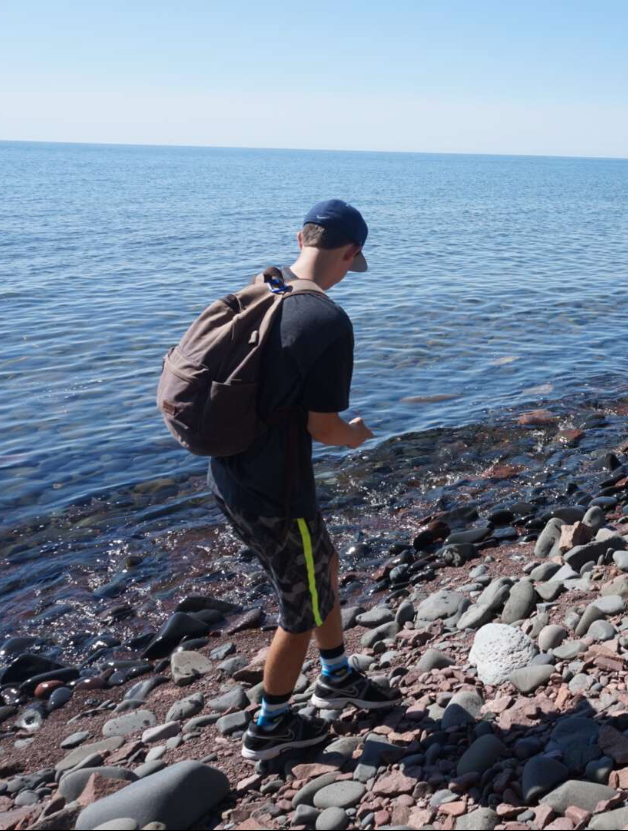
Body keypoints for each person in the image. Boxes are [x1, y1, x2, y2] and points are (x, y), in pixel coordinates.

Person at [209, 199, 399, 762]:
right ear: (350, 251)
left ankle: (336, 675)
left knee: (325, 568)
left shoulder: (265, 288)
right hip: (276, 489)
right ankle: (269, 726)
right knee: (302, 609)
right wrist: (357, 435)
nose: (348, 275)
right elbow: (324, 428)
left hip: (230, 472)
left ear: (300, 238)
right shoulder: (326, 320)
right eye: (351, 264)